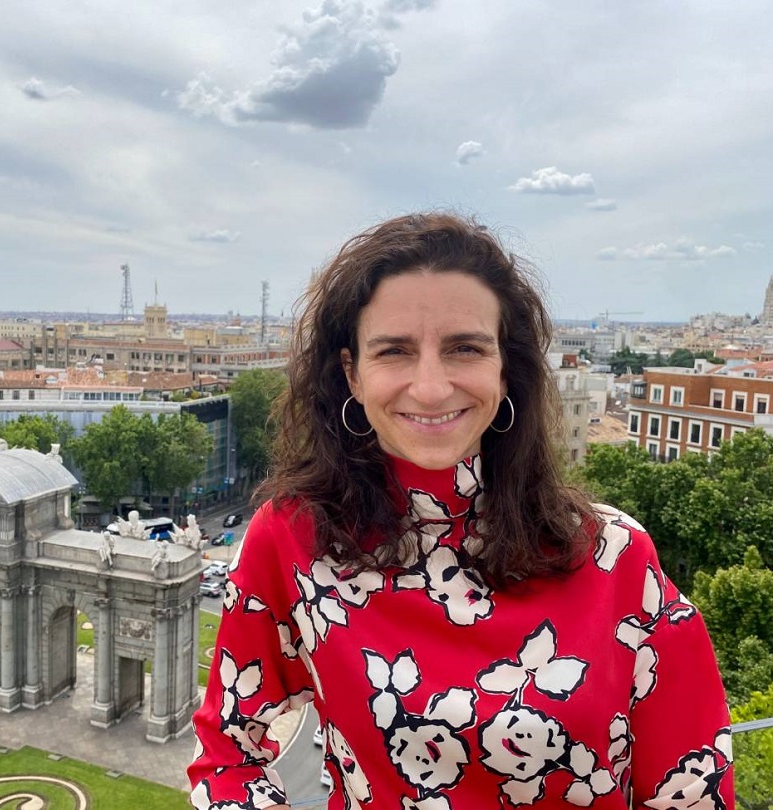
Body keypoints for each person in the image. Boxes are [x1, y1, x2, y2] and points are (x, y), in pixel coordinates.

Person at [188, 213, 733, 809]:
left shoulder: (616, 557)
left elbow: (691, 787)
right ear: (352, 374)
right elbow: (229, 755)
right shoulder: (295, 539)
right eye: (394, 351)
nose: (429, 387)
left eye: (464, 349)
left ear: (506, 368)